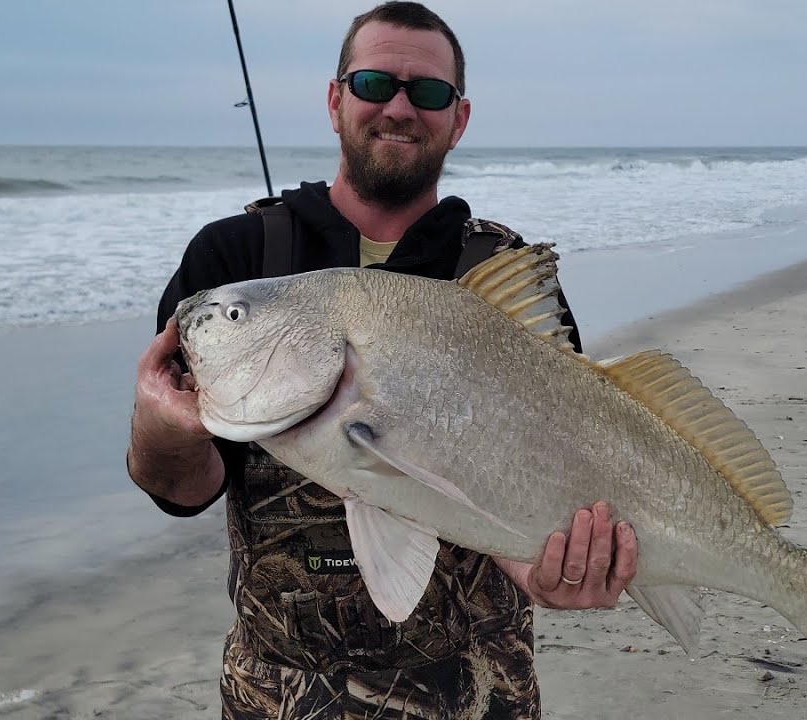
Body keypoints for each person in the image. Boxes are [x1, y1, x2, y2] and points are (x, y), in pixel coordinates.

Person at [126, 3, 638, 718]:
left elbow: (542, 473)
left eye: (427, 93)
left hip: (480, 689)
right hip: (279, 694)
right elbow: (180, 490)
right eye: (373, 83)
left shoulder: (502, 272)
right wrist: (164, 430)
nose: (399, 107)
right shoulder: (235, 265)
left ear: (459, 119)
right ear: (336, 100)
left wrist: (547, 570)